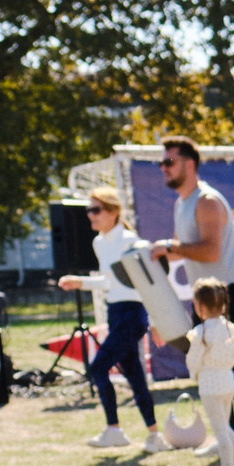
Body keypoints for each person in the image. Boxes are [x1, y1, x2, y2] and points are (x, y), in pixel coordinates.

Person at [149, 137, 234, 464]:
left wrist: (169, 247)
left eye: (169, 162)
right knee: (208, 366)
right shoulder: (181, 203)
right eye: (161, 163)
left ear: (189, 165)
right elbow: (185, 251)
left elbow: (211, 250)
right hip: (205, 294)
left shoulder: (207, 200)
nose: (163, 168)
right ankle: (227, 438)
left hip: (227, 291)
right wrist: (155, 255)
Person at [57, 187, 159, 450]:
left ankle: (113, 429)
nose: (90, 215)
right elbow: (109, 281)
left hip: (132, 314)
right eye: (89, 210)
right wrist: (80, 282)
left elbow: (149, 283)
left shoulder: (130, 240)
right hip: (115, 312)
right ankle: (154, 435)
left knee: (98, 367)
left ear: (113, 212)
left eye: (95, 210)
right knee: (135, 375)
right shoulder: (99, 243)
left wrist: (157, 323)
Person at [184, 279, 234, 466]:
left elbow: (193, 360)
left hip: (210, 386)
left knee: (221, 431)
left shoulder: (200, 333)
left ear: (199, 306)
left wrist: (195, 374)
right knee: (226, 427)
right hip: (228, 382)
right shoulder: (229, 329)